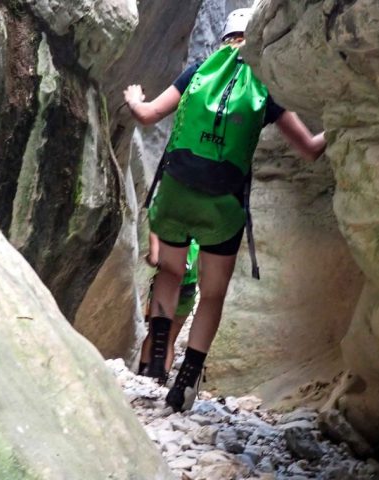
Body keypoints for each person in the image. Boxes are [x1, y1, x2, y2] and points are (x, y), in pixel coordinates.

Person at [123, 7, 325, 411]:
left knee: (171, 271)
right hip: (223, 208)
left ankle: (156, 361)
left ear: (224, 39)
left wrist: (134, 98)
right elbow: (310, 150)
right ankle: (185, 382)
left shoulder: (198, 72)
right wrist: (341, 122)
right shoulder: (266, 89)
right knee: (212, 294)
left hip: (177, 196)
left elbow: (148, 116)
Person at [138, 233, 199, 379]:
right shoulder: (201, 239)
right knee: (170, 339)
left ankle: (142, 377)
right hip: (187, 292)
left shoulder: (169, 233)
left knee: (154, 334)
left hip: (166, 289)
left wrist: (148, 258)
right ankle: (160, 381)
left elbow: (154, 260)